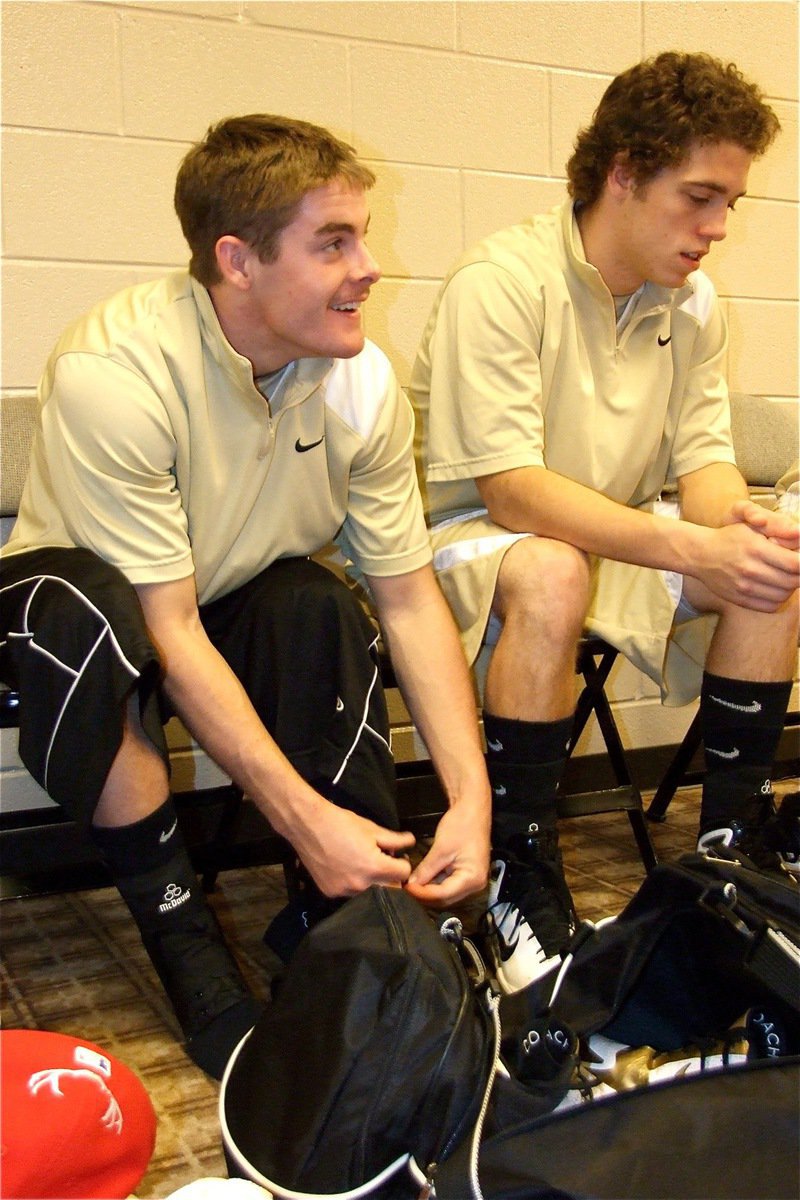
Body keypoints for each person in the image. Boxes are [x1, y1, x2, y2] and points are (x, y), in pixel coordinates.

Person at [0, 115, 491, 1077]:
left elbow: (408, 599)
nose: (370, 267)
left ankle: (343, 926)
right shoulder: (116, 370)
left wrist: (471, 802)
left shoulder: (361, 379)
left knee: (316, 599)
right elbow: (165, 628)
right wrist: (305, 821)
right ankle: (195, 965)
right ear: (237, 261)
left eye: (364, 235)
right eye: (334, 242)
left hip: (207, 597)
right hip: (72, 612)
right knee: (91, 610)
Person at [411, 52, 800, 995]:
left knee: (770, 564)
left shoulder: (691, 303)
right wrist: (683, 541)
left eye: (730, 205)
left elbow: (701, 462)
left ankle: (729, 850)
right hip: (466, 546)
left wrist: (736, 525)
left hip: (610, 537)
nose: (715, 229)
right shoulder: (501, 282)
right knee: (549, 568)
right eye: (698, 197)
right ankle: (516, 873)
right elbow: (508, 491)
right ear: (623, 172)